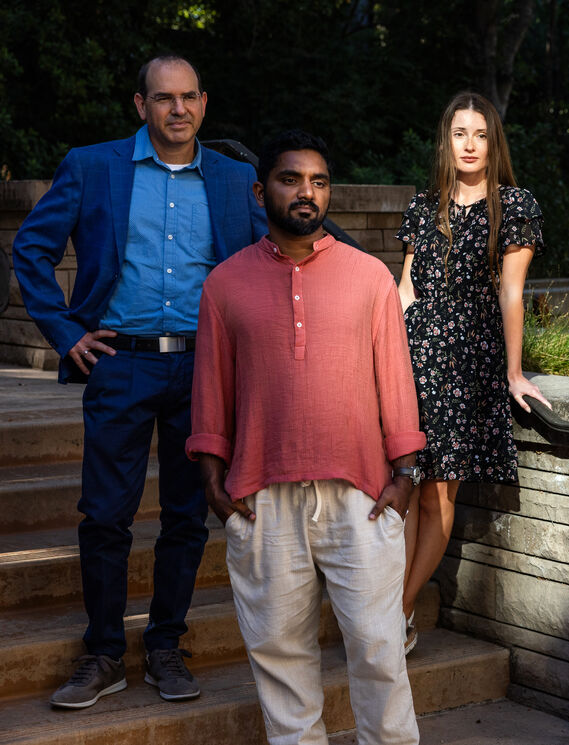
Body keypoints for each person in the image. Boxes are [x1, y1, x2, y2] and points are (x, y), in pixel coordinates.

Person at [11, 55, 265, 708]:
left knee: (185, 514)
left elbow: (278, 252)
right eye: (163, 99)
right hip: (118, 362)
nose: (177, 110)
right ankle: (102, 653)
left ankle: (164, 646)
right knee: (105, 515)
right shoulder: (93, 166)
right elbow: (31, 248)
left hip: (205, 366)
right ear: (140, 104)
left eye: (188, 98)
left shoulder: (237, 179)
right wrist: (67, 333)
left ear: (204, 103)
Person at [188, 130, 426, 745]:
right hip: (262, 498)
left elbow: (395, 380)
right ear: (260, 189)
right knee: (281, 659)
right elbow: (212, 389)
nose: (306, 192)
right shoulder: (225, 284)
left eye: (318, 181)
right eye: (291, 179)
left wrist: (405, 474)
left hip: (362, 495)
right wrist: (212, 478)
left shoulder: (369, 277)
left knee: (379, 652)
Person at [394, 91, 548, 652]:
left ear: (493, 142)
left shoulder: (514, 206)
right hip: (414, 361)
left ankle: (401, 612)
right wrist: (382, 363)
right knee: (405, 488)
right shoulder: (424, 205)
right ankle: (393, 608)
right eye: (460, 133)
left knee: (437, 492)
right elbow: (405, 292)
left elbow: (512, 292)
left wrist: (512, 372)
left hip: (468, 367)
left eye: (480, 134)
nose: (469, 144)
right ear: (446, 140)